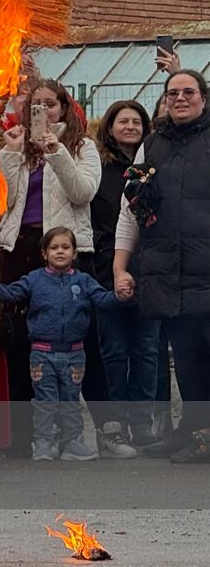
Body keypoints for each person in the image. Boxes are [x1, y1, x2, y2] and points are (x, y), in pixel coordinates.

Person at [0, 78, 101, 454]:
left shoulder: (81, 146)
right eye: (35, 105)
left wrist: (57, 152)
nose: (43, 111)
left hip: (65, 248)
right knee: (21, 345)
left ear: (63, 108)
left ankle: (85, 433)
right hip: (20, 250)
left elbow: (83, 192)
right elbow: (0, 201)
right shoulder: (16, 149)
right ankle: (26, 438)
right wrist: (10, 154)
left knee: (75, 342)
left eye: (50, 104)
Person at [113, 69, 210, 464]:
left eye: (189, 92)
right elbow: (129, 208)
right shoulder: (149, 147)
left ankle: (202, 437)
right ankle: (192, 430)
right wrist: (121, 268)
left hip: (207, 268)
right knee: (185, 357)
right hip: (167, 271)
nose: (180, 98)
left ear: (203, 98)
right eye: (173, 93)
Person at [0, 226, 131, 461]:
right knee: (44, 403)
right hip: (42, 355)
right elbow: (13, 293)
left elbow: (102, 299)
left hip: (74, 356)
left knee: (70, 402)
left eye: (66, 247)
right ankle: (43, 442)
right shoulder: (35, 280)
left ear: (75, 253)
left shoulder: (84, 282)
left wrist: (119, 295)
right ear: (44, 253)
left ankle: (73, 443)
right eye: (54, 248)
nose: (60, 252)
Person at [90, 99, 157, 454]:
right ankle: (114, 427)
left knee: (146, 351)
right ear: (110, 126)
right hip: (106, 269)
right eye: (122, 121)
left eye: (136, 121)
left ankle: (143, 424)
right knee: (113, 351)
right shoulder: (98, 167)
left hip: (150, 270)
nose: (130, 126)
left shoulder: (153, 166)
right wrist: (112, 267)